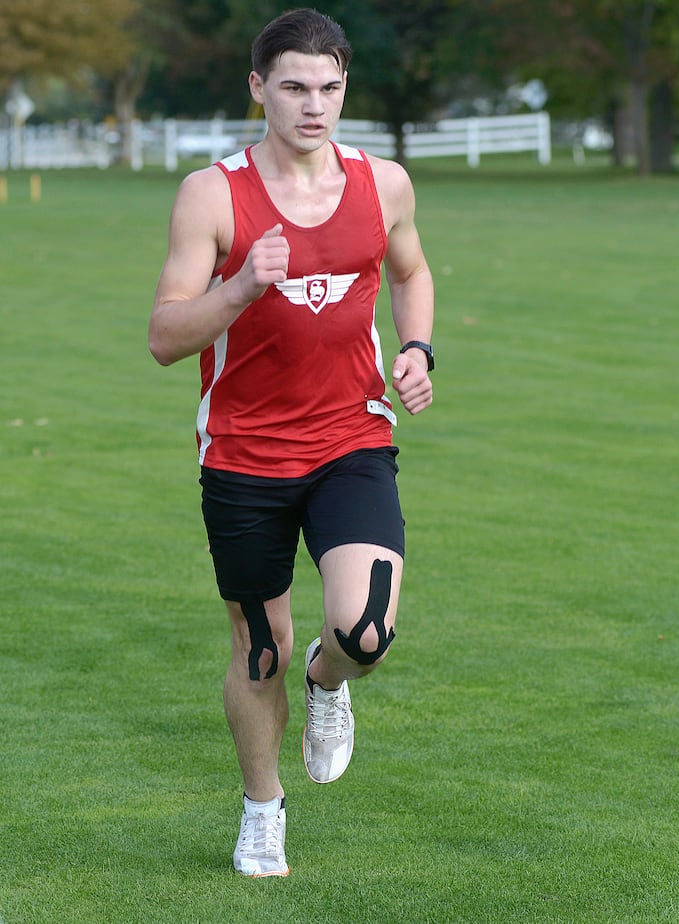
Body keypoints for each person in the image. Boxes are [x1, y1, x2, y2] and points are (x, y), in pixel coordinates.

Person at [148, 8, 434, 878]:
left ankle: (330, 681)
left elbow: (412, 271)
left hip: (352, 437)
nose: (315, 106)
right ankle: (262, 811)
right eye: (295, 87)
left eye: (330, 88)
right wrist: (239, 286)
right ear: (259, 89)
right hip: (242, 454)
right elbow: (166, 336)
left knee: (368, 629)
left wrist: (417, 349)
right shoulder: (212, 193)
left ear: (345, 87)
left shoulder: (383, 184)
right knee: (257, 645)